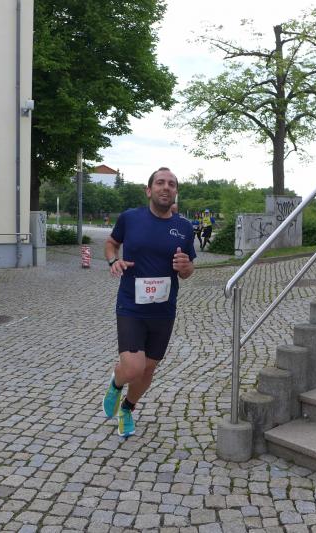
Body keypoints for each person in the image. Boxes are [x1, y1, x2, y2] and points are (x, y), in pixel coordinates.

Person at [102, 167, 196, 438]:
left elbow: (188, 271)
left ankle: (127, 409)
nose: (166, 187)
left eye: (171, 184)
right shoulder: (130, 218)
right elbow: (111, 243)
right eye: (160, 183)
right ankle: (117, 382)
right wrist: (113, 260)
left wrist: (185, 266)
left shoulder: (184, 227)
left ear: (176, 192)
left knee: (149, 368)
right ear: (149, 190)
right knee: (134, 367)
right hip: (131, 305)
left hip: (164, 309)